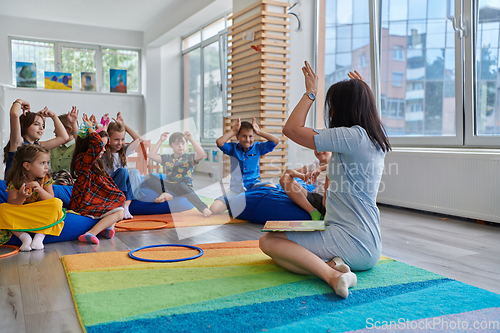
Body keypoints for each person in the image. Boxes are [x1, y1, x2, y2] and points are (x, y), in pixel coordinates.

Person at [259, 62, 391, 299]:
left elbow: (291, 129)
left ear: (342, 109)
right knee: (281, 241)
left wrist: (310, 93)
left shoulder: (353, 136)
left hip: (352, 240)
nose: (330, 113)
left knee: (268, 242)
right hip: (366, 240)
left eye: (332, 107)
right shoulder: (373, 137)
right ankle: (334, 264)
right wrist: (365, 94)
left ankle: (334, 277)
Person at [69, 114, 125, 245]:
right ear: (90, 145)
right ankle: (90, 233)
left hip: (94, 198)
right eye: (103, 147)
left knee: (119, 199)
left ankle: (108, 228)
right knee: (120, 213)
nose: (104, 150)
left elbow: (100, 141)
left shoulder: (95, 161)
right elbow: (99, 143)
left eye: (106, 146)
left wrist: (97, 127)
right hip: (86, 202)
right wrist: (89, 128)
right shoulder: (83, 159)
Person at [0, 145, 65, 251]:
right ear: (27, 165)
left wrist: (40, 190)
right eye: (42, 163)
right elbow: (11, 204)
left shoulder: (46, 178)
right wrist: (21, 198)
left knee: (57, 203)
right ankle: (25, 238)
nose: (46, 167)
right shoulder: (16, 181)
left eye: (47, 163)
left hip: (38, 212)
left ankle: (39, 238)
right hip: (22, 213)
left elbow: (50, 198)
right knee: (2, 208)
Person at [210, 118, 280, 215]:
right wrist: (233, 131)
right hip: (235, 190)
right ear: (237, 137)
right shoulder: (232, 148)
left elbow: (276, 140)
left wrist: (259, 132)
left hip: (253, 187)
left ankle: (242, 204)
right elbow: (219, 142)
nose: (247, 140)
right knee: (214, 209)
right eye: (244, 136)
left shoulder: (258, 148)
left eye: (250, 136)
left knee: (272, 187)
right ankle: (236, 203)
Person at [145, 131, 212, 217]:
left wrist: (191, 139)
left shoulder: (189, 157)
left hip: (184, 187)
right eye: (176, 144)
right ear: (171, 146)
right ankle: (165, 193)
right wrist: (161, 140)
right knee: (148, 176)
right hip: (170, 185)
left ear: (186, 144)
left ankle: (203, 208)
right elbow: (151, 155)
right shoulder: (167, 158)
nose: (180, 146)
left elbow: (202, 155)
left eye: (183, 143)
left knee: (181, 185)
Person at [3, 99, 69, 177]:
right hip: (13, 187)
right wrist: (19, 101)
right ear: (24, 126)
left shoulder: (37, 146)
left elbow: (64, 137)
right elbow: (14, 114)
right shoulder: (18, 142)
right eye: (36, 124)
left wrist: (53, 116)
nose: (41, 128)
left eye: (43, 126)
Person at [103, 112, 142, 219]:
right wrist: (104, 127)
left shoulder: (124, 151)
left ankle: (126, 207)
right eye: (116, 139)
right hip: (110, 186)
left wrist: (124, 126)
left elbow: (138, 139)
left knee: (134, 172)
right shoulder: (104, 151)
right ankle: (121, 204)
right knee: (123, 171)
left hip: (123, 188)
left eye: (122, 139)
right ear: (109, 139)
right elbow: (101, 141)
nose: (120, 143)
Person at [280, 149, 332, 220]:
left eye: (324, 148)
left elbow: (333, 166)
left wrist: (320, 168)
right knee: (284, 178)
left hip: (332, 201)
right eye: (316, 148)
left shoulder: (338, 163)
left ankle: (328, 216)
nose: (319, 151)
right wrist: (301, 176)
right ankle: (314, 213)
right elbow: (287, 172)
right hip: (317, 197)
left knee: (329, 177)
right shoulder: (313, 165)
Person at [50, 106, 79, 185]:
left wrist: (74, 123)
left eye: (57, 128)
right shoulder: (53, 147)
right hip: (54, 183)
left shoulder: (76, 147)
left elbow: (80, 142)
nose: (54, 131)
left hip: (71, 185)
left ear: (69, 130)